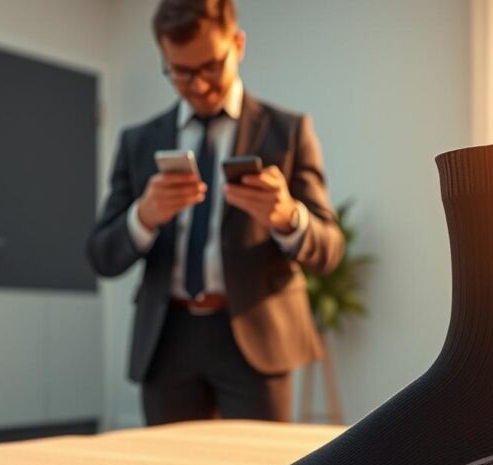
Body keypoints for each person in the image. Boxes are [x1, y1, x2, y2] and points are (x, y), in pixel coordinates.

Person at [85, 0, 344, 426]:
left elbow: (330, 251)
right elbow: (100, 254)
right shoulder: (138, 141)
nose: (200, 85)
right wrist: (143, 217)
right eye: (181, 72)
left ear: (237, 45)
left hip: (257, 337)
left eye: (210, 66)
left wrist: (288, 218)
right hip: (167, 339)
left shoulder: (288, 132)